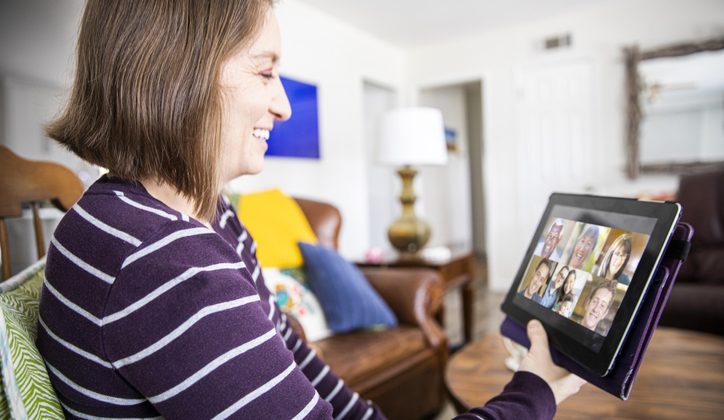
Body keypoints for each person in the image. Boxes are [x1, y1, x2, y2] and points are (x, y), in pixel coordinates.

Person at [37, 1, 584, 418]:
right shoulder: (166, 264)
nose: (283, 106)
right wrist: (530, 394)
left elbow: (292, 354)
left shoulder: (206, 216)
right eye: (264, 71)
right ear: (176, 71)